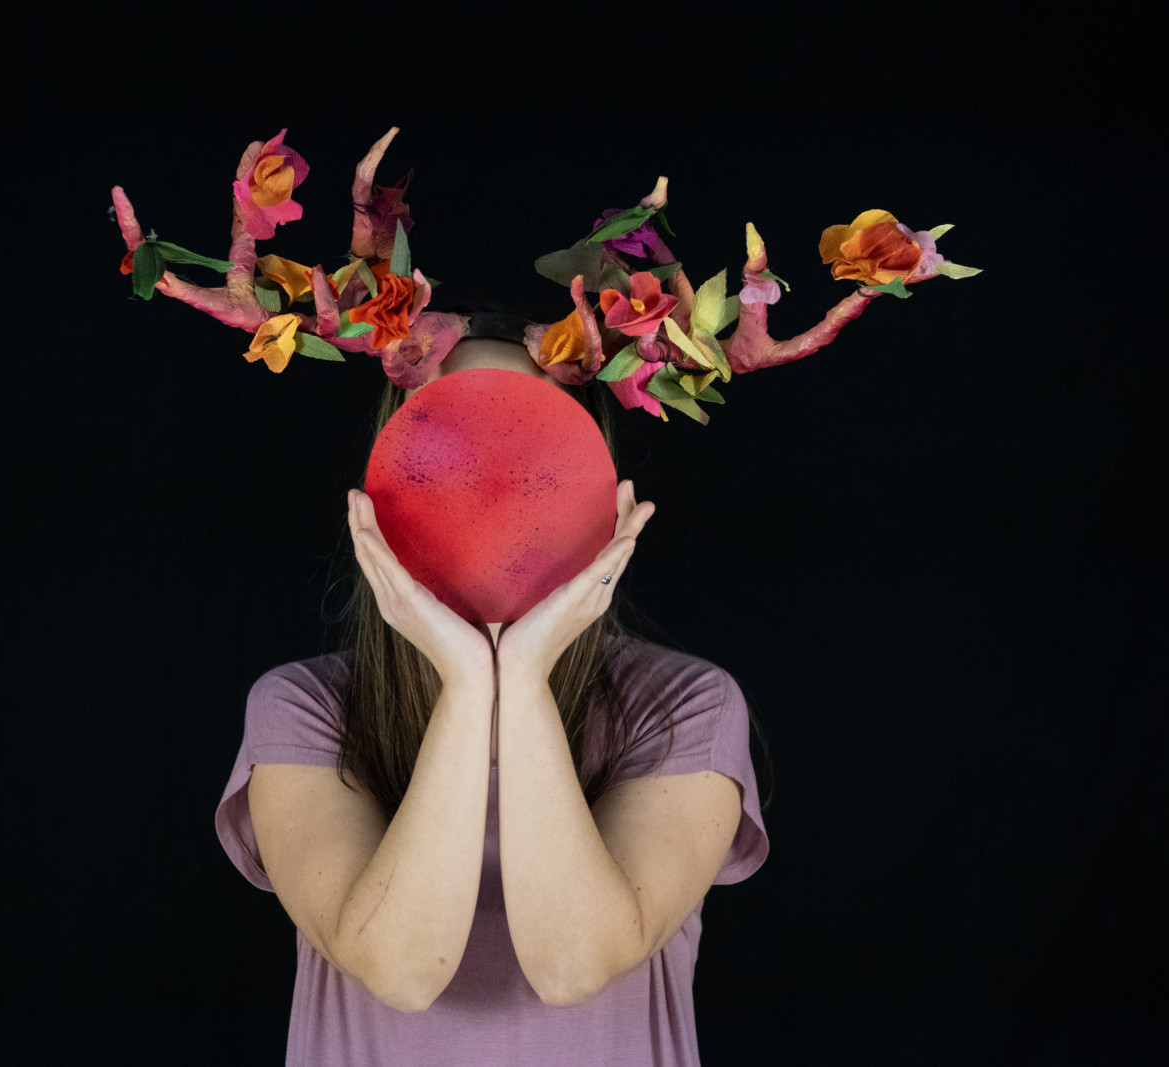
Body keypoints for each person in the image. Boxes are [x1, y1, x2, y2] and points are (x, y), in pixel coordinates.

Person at [213, 300, 774, 1066]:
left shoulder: (687, 707)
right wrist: (470, 683)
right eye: (446, 440)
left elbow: (572, 963)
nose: (490, 487)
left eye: (530, 444)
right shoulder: (303, 710)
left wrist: (525, 672)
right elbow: (401, 969)